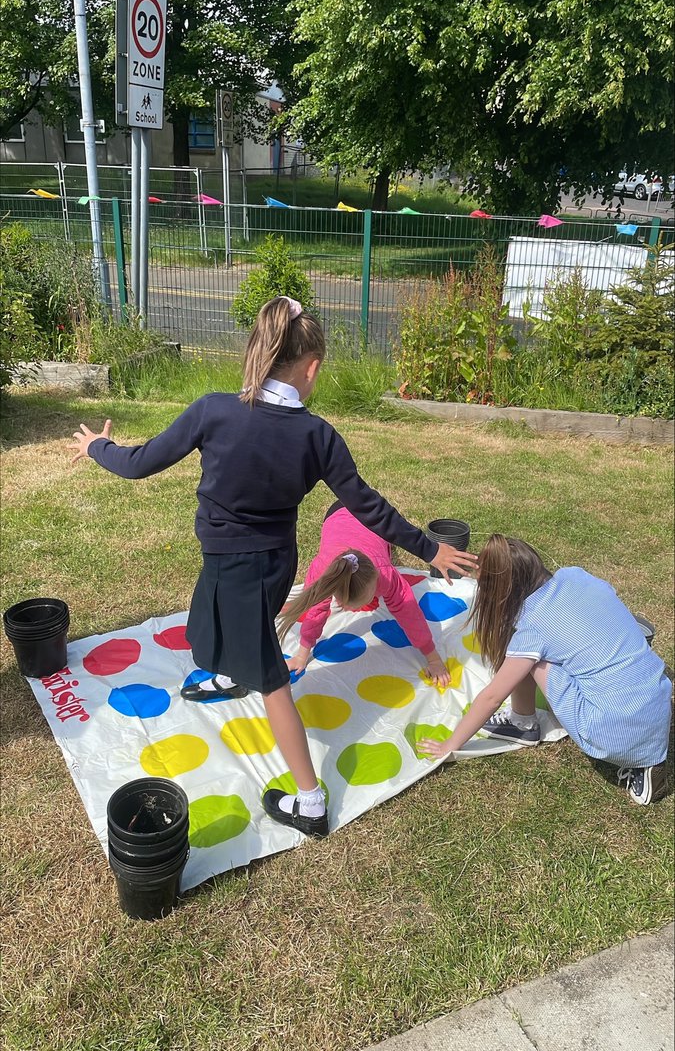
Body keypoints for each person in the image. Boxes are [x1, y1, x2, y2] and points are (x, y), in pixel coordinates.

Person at [72, 296, 477, 839]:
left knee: (270, 676)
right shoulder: (317, 436)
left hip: (237, 565)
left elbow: (139, 462)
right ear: (310, 367)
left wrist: (101, 447)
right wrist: (427, 549)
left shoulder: (214, 409)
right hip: (269, 564)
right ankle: (235, 666)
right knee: (212, 633)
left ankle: (310, 801)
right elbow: (368, 505)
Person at [419, 534, 671, 806]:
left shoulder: (532, 629)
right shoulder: (576, 575)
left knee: (531, 658)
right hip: (659, 702)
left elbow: (491, 697)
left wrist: (450, 745)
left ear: (501, 591)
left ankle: (522, 723)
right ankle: (648, 756)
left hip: (611, 734)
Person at [278, 502, 451, 685]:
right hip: (337, 513)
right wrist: (301, 656)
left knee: (380, 544)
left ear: (377, 579)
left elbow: (409, 612)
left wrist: (433, 658)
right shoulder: (322, 571)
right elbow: (315, 612)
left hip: (372, 515)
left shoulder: (386, 573)